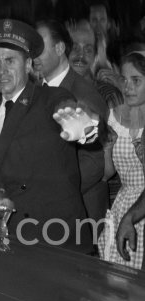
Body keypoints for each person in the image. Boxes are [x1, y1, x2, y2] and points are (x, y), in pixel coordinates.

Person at [0, 19, 98, 253]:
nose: (2, 70)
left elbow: (66, 107)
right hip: (17, 241)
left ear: (27, 64)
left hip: (61, 243)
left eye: (10, 61)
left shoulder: (50, 98)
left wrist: (80, 122)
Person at [34, 19, 109, 228]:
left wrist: (52, 193)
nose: (33, 54)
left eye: (39, 47)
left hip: (78, 213)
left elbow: (94, 164)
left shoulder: (83, 96)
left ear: (59, 48)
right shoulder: (37, 91)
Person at [99, 51, 145, 269]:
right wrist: (107, 149)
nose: (128, 87)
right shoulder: (113, 116)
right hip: (123, 202)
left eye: (136, 80)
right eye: (124, 80)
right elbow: (107, 175)